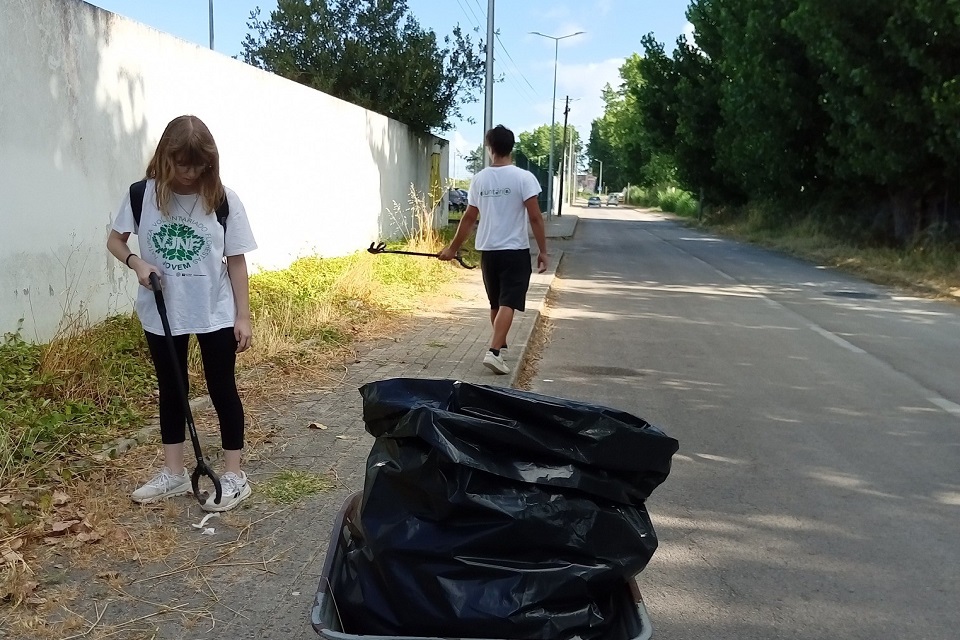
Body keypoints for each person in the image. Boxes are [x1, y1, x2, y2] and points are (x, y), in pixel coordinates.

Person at [106, 115, 258, 512]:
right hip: (162, 311)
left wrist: (243, 316)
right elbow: (115, 240)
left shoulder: (222, 198)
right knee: (172, 389)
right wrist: (137, 263)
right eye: (183, 164)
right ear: (165, 157)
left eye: (200, 165)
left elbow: (236, 261)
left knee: (221, 387)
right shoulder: (143, 195)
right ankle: (174, 474)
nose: (190, 173)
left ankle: (234, 474)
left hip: (214, 310)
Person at [439, 125, 548, 375]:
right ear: (512, 147)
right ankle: (494, 351)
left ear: (490, 148)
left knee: (496, 304)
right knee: (509, 301)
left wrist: (452, 248)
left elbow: (468, 218)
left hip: (488, 251)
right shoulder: (524, 178)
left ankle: (499, 346)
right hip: (515, 250)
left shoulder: (479, 179)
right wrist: (543, 251)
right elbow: (535, 217)